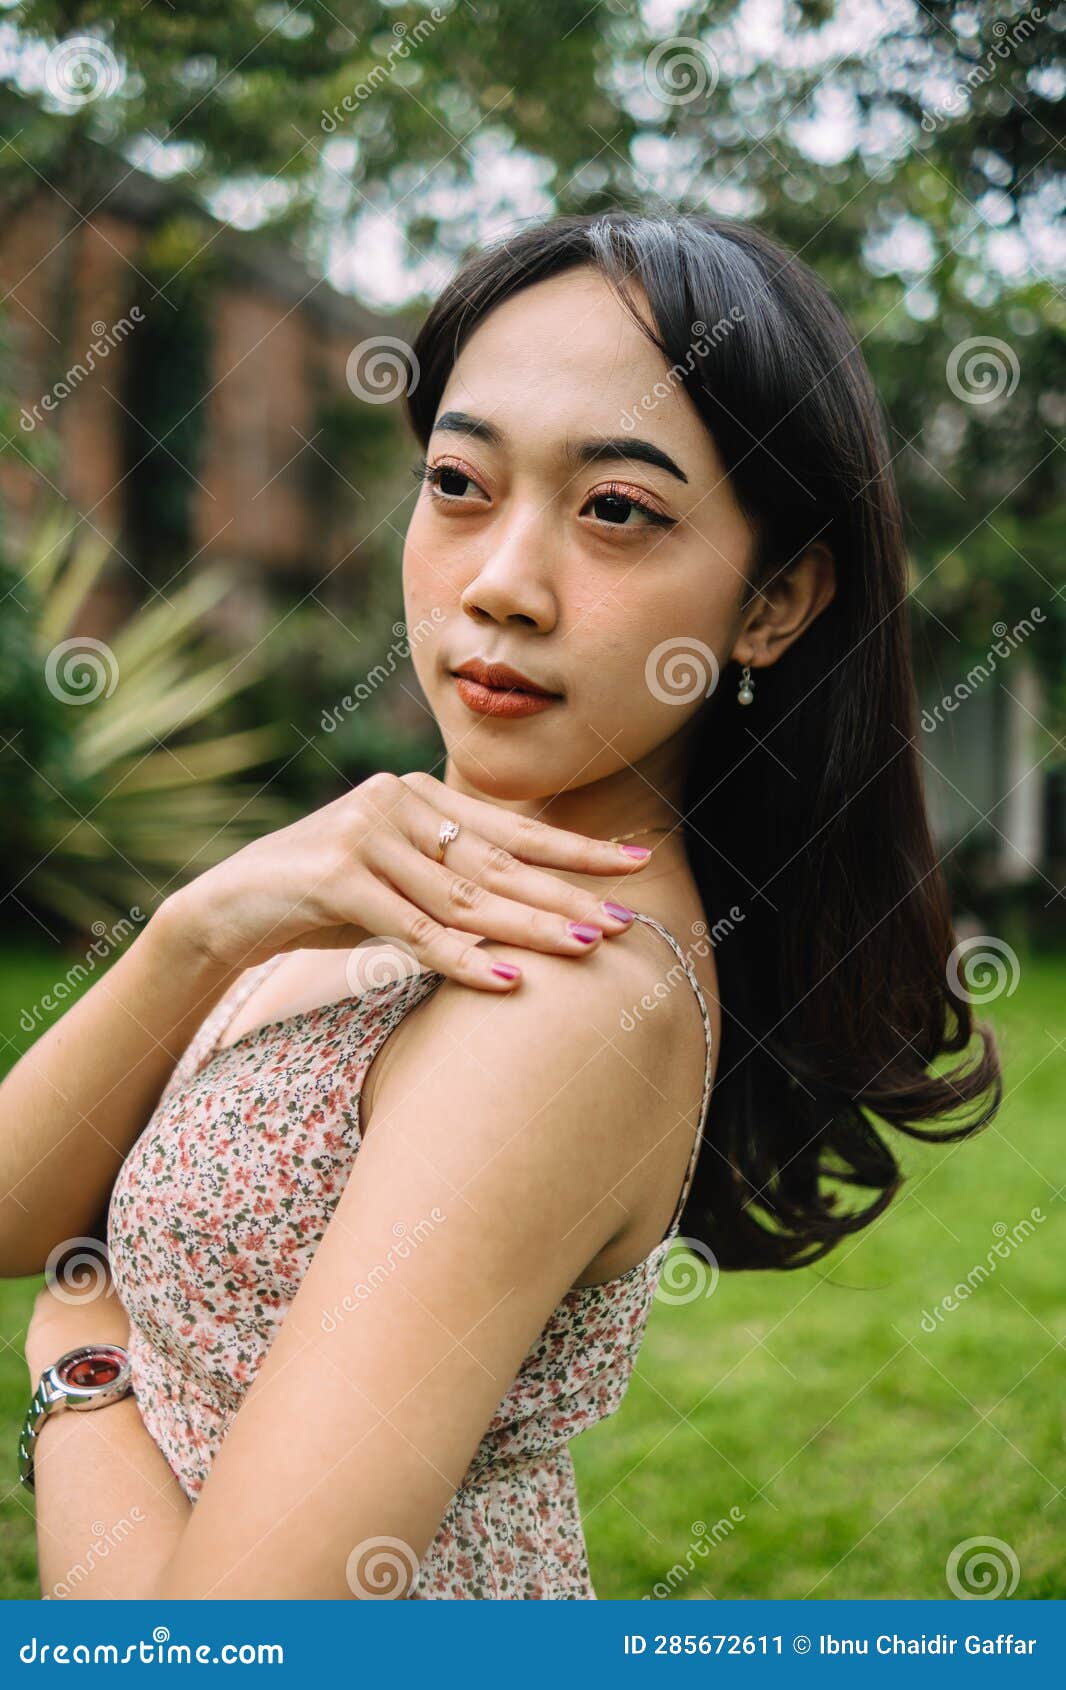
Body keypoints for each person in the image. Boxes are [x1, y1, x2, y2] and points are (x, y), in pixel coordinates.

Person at [2, 209, 1001, 1600]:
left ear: (771, 603)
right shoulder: (396, 864)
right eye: (460, 482)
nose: (499, 585)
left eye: (614, 512)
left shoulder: (562, 993)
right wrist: (206, 922)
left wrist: (78, 1368)